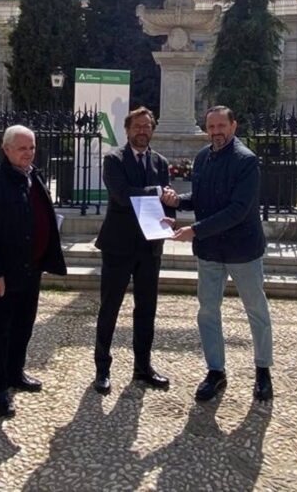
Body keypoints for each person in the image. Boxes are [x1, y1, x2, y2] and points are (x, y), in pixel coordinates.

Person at [161, 105, 273, 402]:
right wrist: (176, 201)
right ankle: (216, 371)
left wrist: (194, 231)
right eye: (211, 127)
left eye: (221, 126)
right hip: (211, 250)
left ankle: (263, 370)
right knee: (207, 312)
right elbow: (202, 198)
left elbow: (238, 210)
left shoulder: (246, 160)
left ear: (233, 126)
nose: (216, 132)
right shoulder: (203, 157)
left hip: (243, 250)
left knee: (256, 310)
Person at [0, 125, 67, 418]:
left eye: (32, 147)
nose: (28, 153)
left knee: (23, 326)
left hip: (31, 269)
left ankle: (15, 373)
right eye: (22, 148)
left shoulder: (33, 177)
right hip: (3, 273)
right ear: (7, 149)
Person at [92, 107, 173, 395]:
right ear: (127, 130)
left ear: (153, 129)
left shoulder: (160, 162)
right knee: (110, 307)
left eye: (147, 126)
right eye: (137, 126)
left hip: (150, 246)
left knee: (147, 309)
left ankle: (143, 367)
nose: (142, 130)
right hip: (118, 245)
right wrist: (156, 193)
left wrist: (170, 202)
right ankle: (102, 367)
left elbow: (164, 199)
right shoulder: (113, 159)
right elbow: (121, 196)